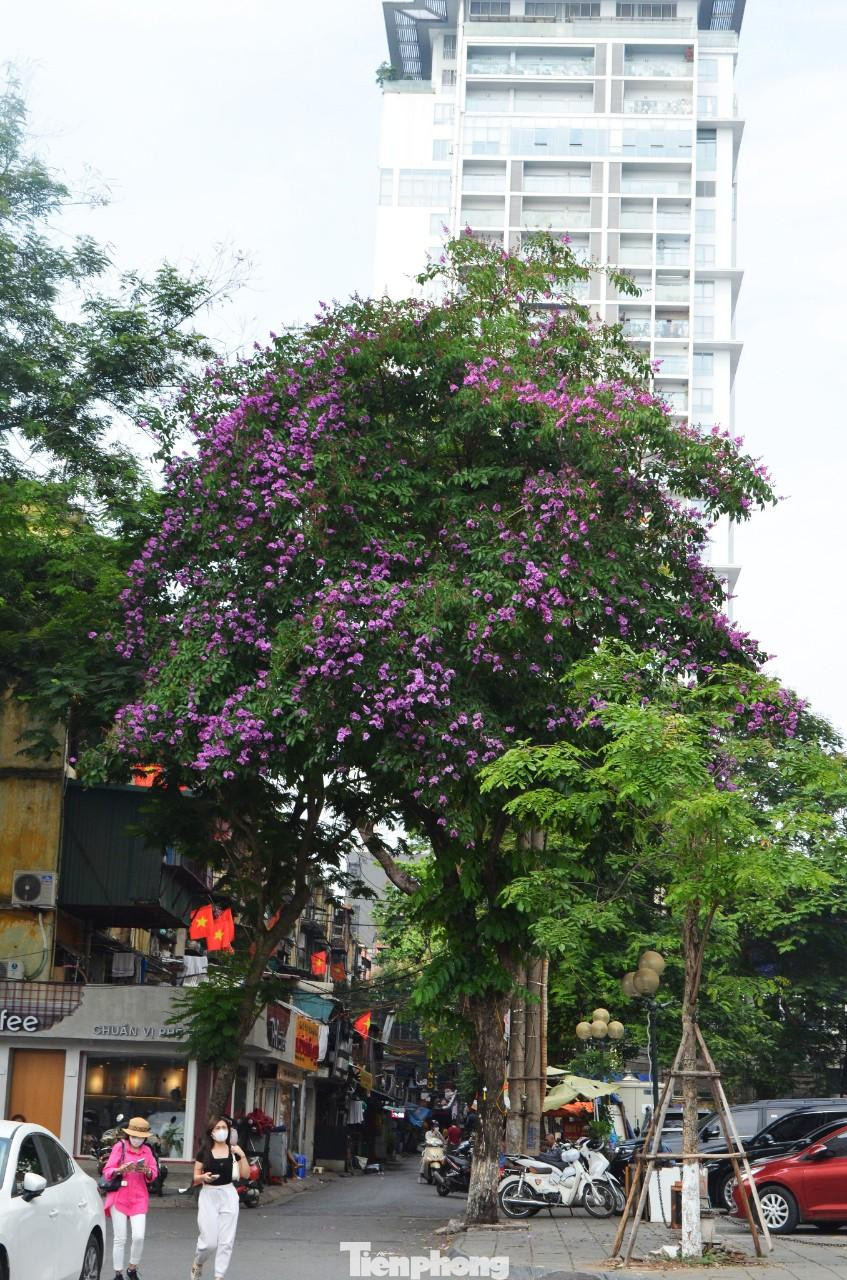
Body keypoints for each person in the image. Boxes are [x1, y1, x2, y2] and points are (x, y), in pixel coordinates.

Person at [190, 1116, 249, 1280]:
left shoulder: (234, 1150)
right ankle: (198, 1261)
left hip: (228, 1194)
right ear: (211, 1132)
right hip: (208, 1194)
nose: (221, 1131)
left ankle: (219, 1276)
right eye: (217, 1128)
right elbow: (195, 1176)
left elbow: (245, 1174)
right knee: (209, 1242)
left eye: (224, 1127)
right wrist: (203, 1178)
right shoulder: (204, 1152)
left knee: (226, 1241)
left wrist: (242, 1155)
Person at [101, 1116, 158, 1280]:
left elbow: (154, 1172)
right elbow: (107, 1171)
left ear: (145, 1138)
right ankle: (118, 1273)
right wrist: (121, 1169)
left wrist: (146, 1171)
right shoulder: (120, 1147)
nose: (137, 1140)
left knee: (139, 1236)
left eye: (140, 1137)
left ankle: (132, 1268)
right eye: (134, 1136)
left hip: (139, 1196)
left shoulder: (147, 1151)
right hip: (119, 1195)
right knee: (120, 1238)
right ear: (128, 1135)